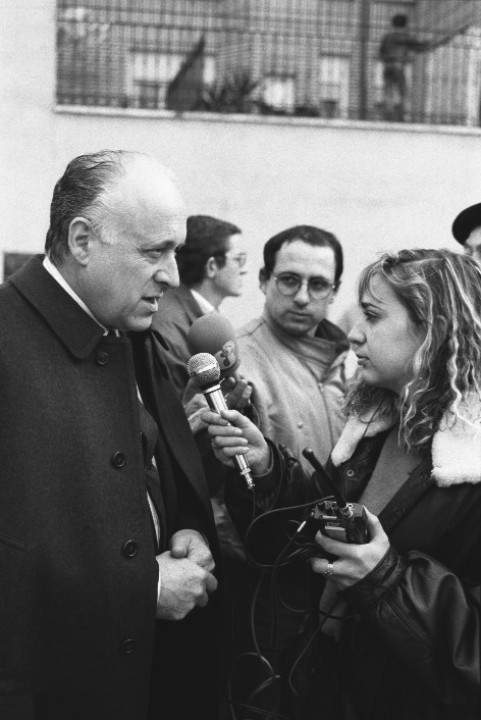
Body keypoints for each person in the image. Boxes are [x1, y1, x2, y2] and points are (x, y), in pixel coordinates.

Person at [203, 248, 481, 720]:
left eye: (372, 315)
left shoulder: (470, 461)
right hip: (331, 687)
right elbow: (312, 529)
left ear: (433, 330)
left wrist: (387, 580)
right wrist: (267, 468)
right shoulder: (374, 429)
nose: (353, 332)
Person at [0, 149, 221, 720]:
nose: (173, 276)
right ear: (82, 241)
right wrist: (138, 590)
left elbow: (153, 468)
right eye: (153, 252)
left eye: (175, 251)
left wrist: (186, 526)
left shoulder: (126, 327)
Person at [187, 225, 349, 719]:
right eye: (289, 280)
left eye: (318, 284)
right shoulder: (234, 366)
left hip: (336, 573)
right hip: (264, 578)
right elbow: (207, 481)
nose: (302, 296)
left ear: (335, 291)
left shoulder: (351, 360)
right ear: (263, 280)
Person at [151, 214, 247, 398]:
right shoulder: (167, 328)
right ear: (212, 266)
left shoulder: (207, 317)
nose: (244, 269)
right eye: (239, 259)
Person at [379, 13, 429, 121]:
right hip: (398, 65)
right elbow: (418, 46)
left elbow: (381, 52)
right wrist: (427, 43)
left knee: (388, 89)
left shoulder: (387, 37)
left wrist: (388, 58)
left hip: (387, 66)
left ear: (393, 24)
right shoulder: (405, 36)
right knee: (402, 90)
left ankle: (388, 114)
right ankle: (401, 115)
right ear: (405, 25)